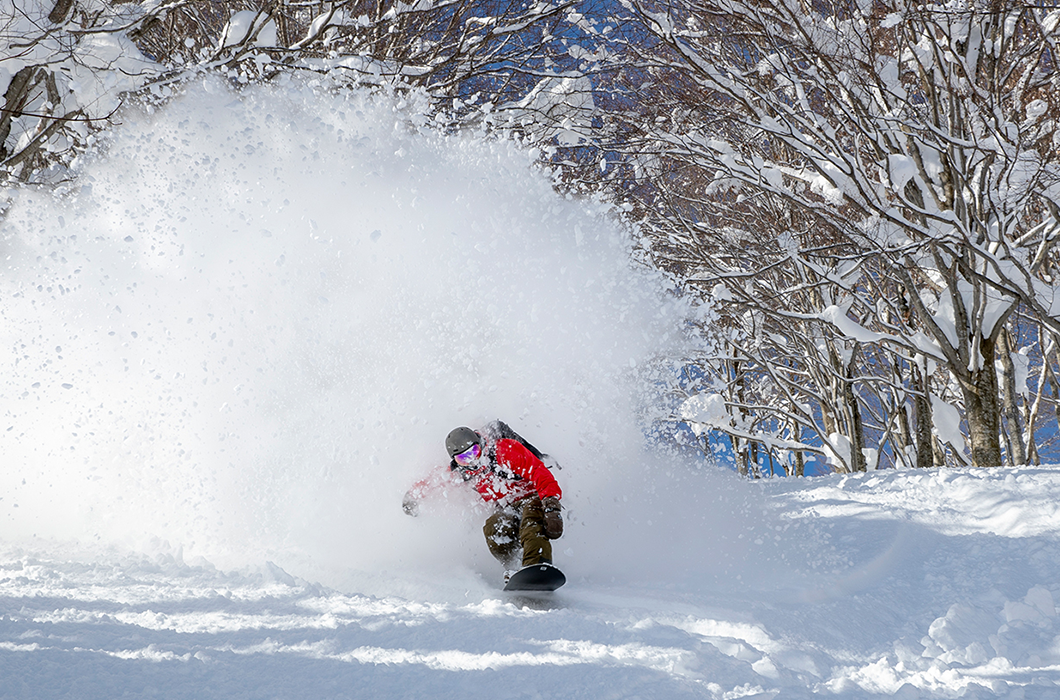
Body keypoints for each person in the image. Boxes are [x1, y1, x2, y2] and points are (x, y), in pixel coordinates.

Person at [402, 422, 563, 577]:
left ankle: (537, 564)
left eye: (473, 452)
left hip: (532, 495)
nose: (471, 461)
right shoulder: (463, 472)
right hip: (506, 506)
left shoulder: (503, 450)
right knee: (493, 529)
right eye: (463, 459)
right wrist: (414, 495)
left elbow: (539, 473)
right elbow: (437, 479)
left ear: (480, 444)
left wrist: (551, 507)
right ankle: (514, 566)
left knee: (531, 523)